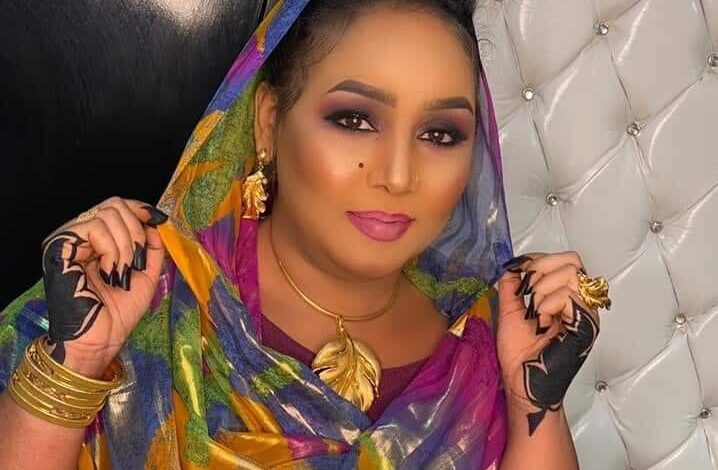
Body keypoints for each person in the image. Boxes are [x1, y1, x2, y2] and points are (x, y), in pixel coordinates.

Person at [0, 0, 610, 468]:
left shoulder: (485, 342)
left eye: (440, 134)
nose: (399, 176)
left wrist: (534, 405)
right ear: (269, 123)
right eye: (354, 120)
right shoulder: (139, 299)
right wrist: (77, 362)